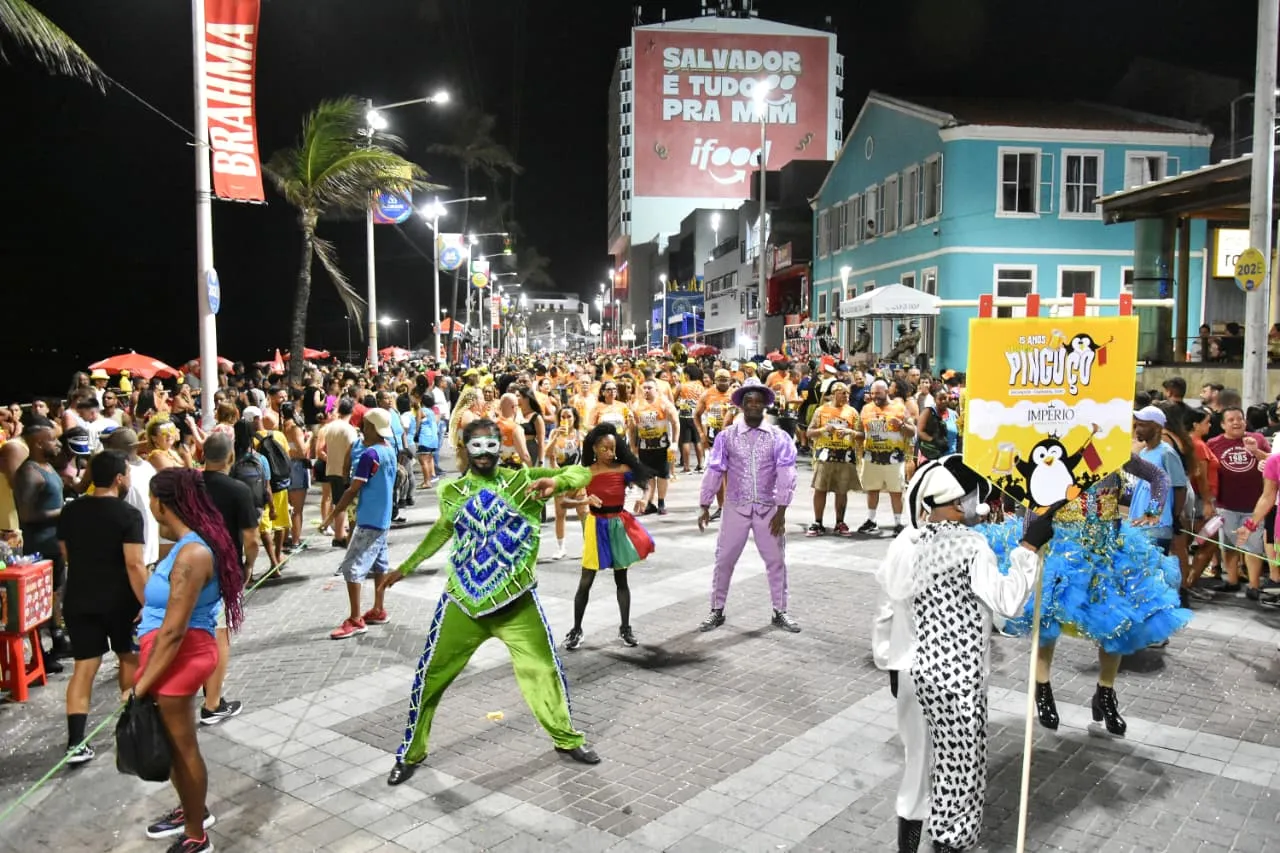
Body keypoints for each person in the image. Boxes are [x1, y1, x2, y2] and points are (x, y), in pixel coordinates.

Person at [382, 418, 599, 787]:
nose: (484, 453)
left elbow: (583, 473)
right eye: (476, 446)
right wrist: (406, 566)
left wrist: (556, 481)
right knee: (430, 678)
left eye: (491, 445)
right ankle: (411, 752)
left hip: (517, 601)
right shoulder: (451, 490)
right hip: (464, 602)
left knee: (544, 672)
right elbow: (442, 529)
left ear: (502, 446)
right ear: (464, 448)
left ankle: (565, 738)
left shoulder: (524, 481)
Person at [882, 457, 1057, 853]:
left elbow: (894, 598)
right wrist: (1028, 549)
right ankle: (951, 842)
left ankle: (935, 837)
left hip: (923, 671)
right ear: (960, 503)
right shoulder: (971, 545)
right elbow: (1008, 602)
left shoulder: (915, 541)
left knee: (934, 763)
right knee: (963, 767)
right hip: (960, 676)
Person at [135, 468, 244, 853]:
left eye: (151, 500)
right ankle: (191, 809)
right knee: (176, 743)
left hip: (180, 656)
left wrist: (141, 686)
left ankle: (197, 835)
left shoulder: (193, 552)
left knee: (182, 748)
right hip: (171, 653)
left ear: (161, 503)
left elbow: (174, 631)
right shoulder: (186, 546)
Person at [57, 450, 147, 764]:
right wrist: (148, 603)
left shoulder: (70, 512)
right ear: (119, 478)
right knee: (129, 657)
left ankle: (75, 742)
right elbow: (135, 565)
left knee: (84, 668)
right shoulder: (128, 515)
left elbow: (67, 554)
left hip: (80, 598)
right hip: (120, 600)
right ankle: (131, 725)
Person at [697, 380, 800, 633]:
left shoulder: (779, 437)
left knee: (776, 560)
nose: (754, 405)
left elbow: (787, 474)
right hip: (735, 507)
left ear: (766, 404)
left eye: (758, 401)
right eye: (749, 401)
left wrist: (782, 510)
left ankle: (780, 611)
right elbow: (715, 470)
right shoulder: (727, 436)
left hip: (768, 510)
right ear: (741, 405)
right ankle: (716, 610)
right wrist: (704, 503)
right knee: (724, 560)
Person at [564, 424, 656, 650]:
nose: (609, 453)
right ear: (594, 448)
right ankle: (576, 629)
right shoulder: (586, 472)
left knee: (621, 579)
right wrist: (585, 501)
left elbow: (649, 481)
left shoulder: (623, 469)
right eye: (604, 448)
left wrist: (645, 498)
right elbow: (565, 501)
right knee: (586, 581)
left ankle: (625, 628)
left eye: (612, 448)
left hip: (617, 524)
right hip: (595, 526)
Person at [320, 409, 397, 639]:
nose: (362, 429)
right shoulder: (389, 450)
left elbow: (353, 488)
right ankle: (378, 609)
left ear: (372, 427)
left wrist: (331, 517)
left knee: (352, 568)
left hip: (369, 519)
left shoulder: (369, 455)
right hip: (382, 518)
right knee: (380, 564)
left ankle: (355, 619)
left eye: (365, 425)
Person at [198, 432, 258, 724]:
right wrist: (248, 565)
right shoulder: (238, 490)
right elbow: (251, 538)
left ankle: (209, 692)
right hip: (222, 570)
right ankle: (212, 703)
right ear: (230, 457)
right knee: (219, 634)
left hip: (189, 567)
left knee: (201, 633)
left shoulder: (189, 488)